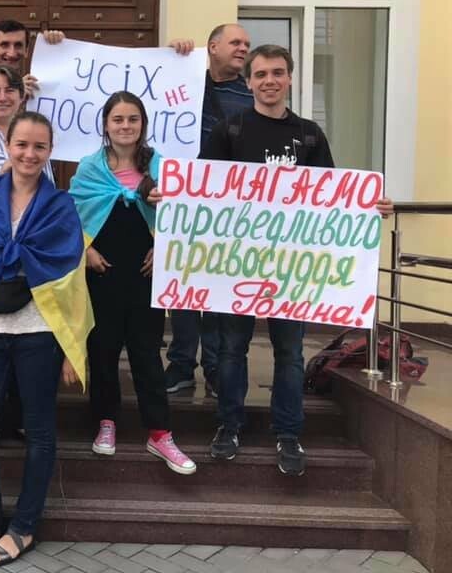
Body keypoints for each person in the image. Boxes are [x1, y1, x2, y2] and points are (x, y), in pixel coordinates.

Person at [195, 44, 393, 476]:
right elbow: (201, 188)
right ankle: (229, 425)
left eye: (277, 73)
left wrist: (367, 206)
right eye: (261, 74)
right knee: (231, 350)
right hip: (236, 264)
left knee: (289, 353)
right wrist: (170, 197)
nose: (269, 81)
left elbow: (333, 196)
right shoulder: (229, 130)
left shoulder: (309, 134)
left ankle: (288, 432)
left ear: (289, 78)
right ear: (249, 82)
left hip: (292, 269)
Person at [0, 111, 91, 565]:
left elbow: (71, 279)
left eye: (39, 147)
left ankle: (25, 527)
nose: (30, 154)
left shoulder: (61, 206)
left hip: (40, 334)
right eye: (22, 145)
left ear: (50, 152)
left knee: (40, 433)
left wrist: (71, 349)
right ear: (7, 146)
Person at [69, 92, 195, 474]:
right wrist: (85, 250)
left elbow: (185, 217)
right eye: (118, 119)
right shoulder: (89, 168)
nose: (126, 126)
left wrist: (164, 246)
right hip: (101, 273)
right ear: (106, 125)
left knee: (147, 353)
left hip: (146, 274)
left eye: (133, 119)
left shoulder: (163, 167)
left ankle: (159, 432)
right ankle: (105, 421)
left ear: (143, 124)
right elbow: (71, 215)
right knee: (102, 351)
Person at [164, 24, 253, 398]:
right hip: (182, 202)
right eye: (236, 42)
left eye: (247, 44)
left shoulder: (250, 96)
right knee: (183, 286)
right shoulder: (184, 80)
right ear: (212, 47)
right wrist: (172, 55)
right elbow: (145, 99)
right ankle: (181, 364)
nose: (243, 48)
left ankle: (215, 367)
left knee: (215, 287)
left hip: (230, 209)